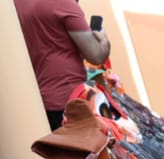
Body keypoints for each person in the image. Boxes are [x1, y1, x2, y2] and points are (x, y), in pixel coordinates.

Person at [16, 0, 111, 131]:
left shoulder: (17, 4)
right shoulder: (64, 3)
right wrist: (103, 37)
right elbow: (96, 55)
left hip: (40, 102)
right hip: (71, 100)